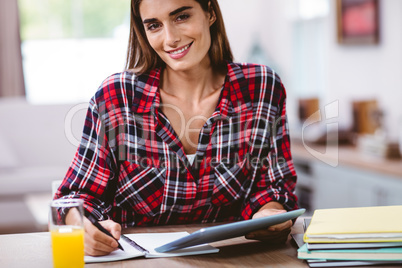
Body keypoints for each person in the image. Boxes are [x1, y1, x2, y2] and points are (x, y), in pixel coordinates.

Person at [55, 0, 299, 256]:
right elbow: (75, 197)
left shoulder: (261, 88)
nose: (170, 38)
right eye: (154, 25)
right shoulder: (118, 97)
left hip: (234, 261)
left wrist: (271, 212)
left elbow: (274, 185)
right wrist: (81, 225)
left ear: (210, 13)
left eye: (181, 17)